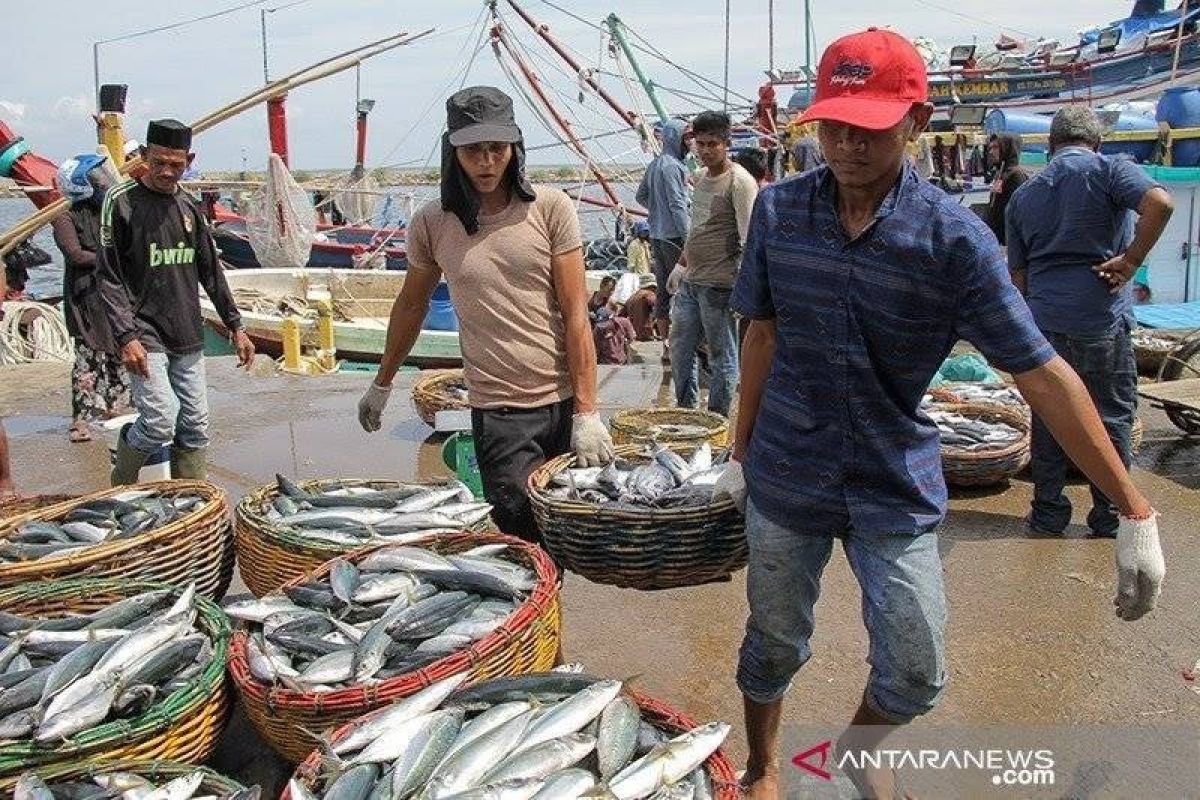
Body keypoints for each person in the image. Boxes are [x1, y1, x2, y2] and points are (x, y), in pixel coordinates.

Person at [718, 30, 1165, 800]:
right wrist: (738, 448)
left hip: (892, 476)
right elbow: (760, 332)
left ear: (916, 121)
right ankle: (765, 765)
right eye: (834, 125)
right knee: (774, 641)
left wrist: (1134, 510)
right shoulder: (781, 212)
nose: (849, 144)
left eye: (872, 125)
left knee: (917, 667)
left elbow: (1042, 372)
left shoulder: (955, 238)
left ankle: (859, 747)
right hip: (787, 471)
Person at [357, 86, 613, 543]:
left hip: (562, 399)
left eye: (498, 148)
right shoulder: (432, 222)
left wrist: (587, 411)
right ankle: (539, 605)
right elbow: (411, 306)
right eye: (473, 150)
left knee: (570, 525)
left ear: (515, 147)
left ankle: (547, 604)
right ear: (453, 152)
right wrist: (381, 383)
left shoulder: (550, 208)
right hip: (498, 408)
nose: (487, 161)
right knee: (518, 524)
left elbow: (576, 313)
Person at [1007, 105, 1174, 538]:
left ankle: (1047, 514)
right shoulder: (1110, 170)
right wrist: (1132, 259)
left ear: (1049, 147)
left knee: (1048, 415)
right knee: (1113, 416)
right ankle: (1108, 516)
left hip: (1046, 322)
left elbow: (1018, 276)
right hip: (1100, 318)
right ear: (1097, 143)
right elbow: (1160, 203)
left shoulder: (1025, 193)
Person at [98, 119, 254, 484]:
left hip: (186, 330)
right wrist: (125, 336)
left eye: (176, 164)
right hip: (143, 331)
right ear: (144, 158)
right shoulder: (121, 203)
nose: (167, 172)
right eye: (159, 163)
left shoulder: (189, 207)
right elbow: (108, 276)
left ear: (189, 160)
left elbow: (211, 272)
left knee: (196, 425)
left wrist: (236, 326)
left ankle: (189, 499)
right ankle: (120, 481)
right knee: (159, 419)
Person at [667, 111, 757, 417]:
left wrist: (744, 288)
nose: (705, 151)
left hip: (720, 285)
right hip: (692, 281)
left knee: (723, 356)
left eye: (712, 144)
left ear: (726, 143)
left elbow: (749, 240)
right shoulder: (702, 178)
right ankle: (686, 410)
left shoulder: (740, 183)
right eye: (700, 144)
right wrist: (680, 265)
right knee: (679, 348)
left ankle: (717, 418)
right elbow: (697, 227)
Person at [51, 154, 130, 444]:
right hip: (86, 296)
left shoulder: (108, 213)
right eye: (96, 179)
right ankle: (80, 420)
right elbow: (75, 254)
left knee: (119, 351)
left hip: (111, 293)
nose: (103, 183)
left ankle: (118, 409)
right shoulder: (64, 216)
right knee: (88, 357)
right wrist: (110, 260)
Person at [636, 119, 691, 362]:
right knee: (684, 289)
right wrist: (690, 240)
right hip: (675, 237)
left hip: (657, 235)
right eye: (685, 138)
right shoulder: (673, 167)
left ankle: (667, 345)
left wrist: (656, 212)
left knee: (663, 291)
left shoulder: (655, 165)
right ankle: (682, 343)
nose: (689, 143)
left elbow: (641, 196)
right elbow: (678, 204)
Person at [984, 133, 1028, 246]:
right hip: (996, 238)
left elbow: (1018, 211)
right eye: (990, 148)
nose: (991, 152)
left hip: (1009, 241)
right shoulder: (1001, 173)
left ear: (1007, 148)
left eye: (995, 148)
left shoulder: (1016, 176)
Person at [754, 84, 780, 179]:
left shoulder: (767, 102)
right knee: (768, 148)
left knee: (769, 148)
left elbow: (772, 116)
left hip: (768, 130)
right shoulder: (768, 102)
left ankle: (769, 172)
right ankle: (768, 172)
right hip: (766, 130)